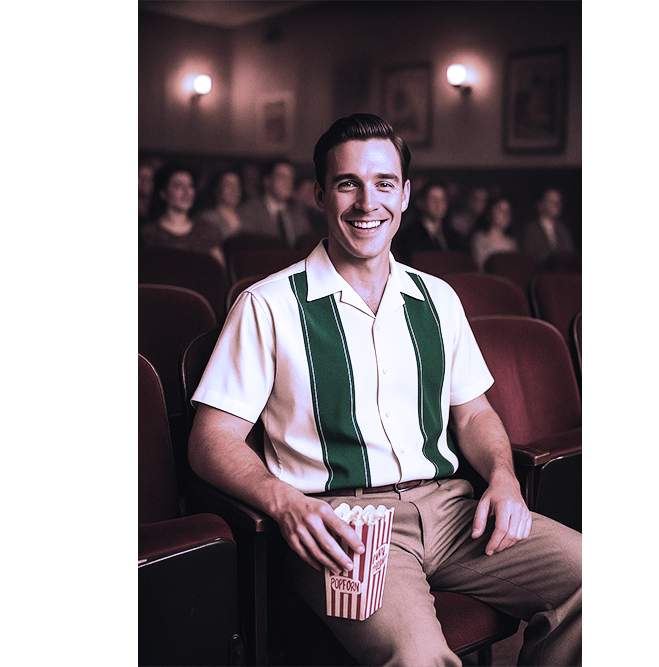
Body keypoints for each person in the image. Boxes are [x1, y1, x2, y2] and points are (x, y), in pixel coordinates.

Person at [188, 114, 581, 667]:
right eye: (348, 183)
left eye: (384, 183)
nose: (366, 202)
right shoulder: (267, 305)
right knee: (418, 657)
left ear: (406, 195)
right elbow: (211, 440)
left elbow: (473, 414)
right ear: (320, 194)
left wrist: (503, 476)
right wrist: (286, 505)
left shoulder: (437, 298)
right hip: (341, 525)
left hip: (452, 511)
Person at [139, 163, 225, 268]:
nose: (187, 192)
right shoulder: (147, 233)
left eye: (190, 186)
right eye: (178, 186)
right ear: (163, 193)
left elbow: (221, 274)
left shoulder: (207, 232)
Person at [238, 158, 312, 248]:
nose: (287, 183)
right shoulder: (250, 211)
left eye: (290, 178)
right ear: (267, 181)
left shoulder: (298, 213)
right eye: (282, 177)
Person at [393, 181, 467, 264]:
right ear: (421, 202)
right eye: (434, 199)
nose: (439, 204)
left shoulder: (454, 235)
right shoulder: (410, 235)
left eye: (442, 199)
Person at [520, 187, 576, 264]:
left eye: (559, 201)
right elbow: (530, 257)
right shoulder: (530, 229)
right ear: (540, 205)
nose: (557, 204)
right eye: (551, 201)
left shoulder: (563, 229)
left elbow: (569, 255)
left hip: (562, 273)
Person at [470, 195, 520, 271]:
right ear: (490, 212)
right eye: (500, 210)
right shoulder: (479, 239)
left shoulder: (512, 243)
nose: (505, 215)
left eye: (508, 211)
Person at [197, 169, 244, 241]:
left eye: (237, 185)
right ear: (217, 189)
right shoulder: (206, 219)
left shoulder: (249, 217)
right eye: (229, 185)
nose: (235, 190)